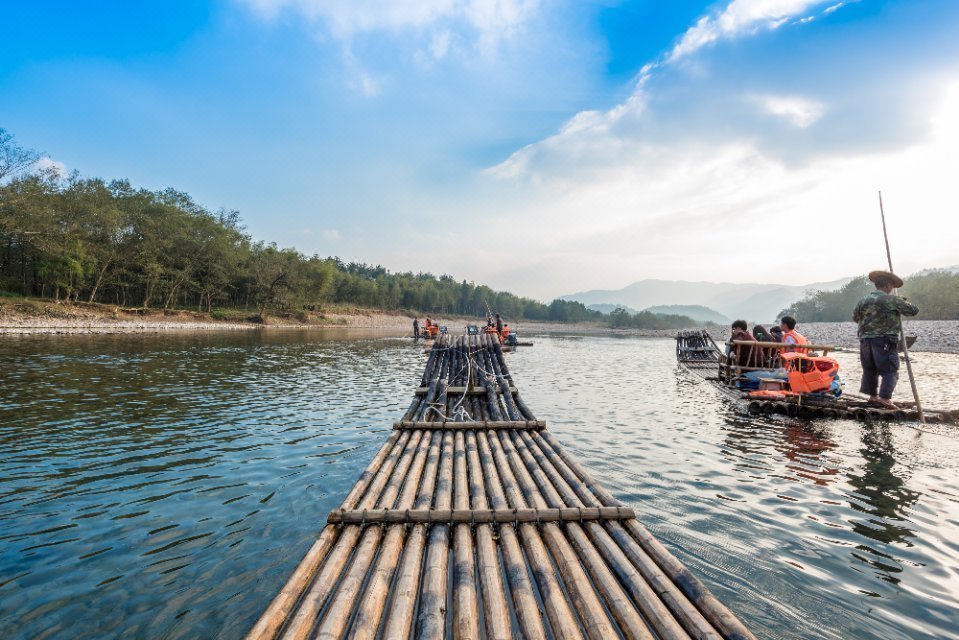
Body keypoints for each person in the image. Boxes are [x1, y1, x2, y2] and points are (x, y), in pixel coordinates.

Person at [853, 270, 919, 409]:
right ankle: (885, 398)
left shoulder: (863, 300)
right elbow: (913, 310)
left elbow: (855, 318)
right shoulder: (890, 299)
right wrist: (902, 301)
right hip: (884, 339)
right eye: (892, 286)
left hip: (865, 339)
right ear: (888, 286)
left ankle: (873, 396)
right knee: (890, 369)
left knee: (870, 368)